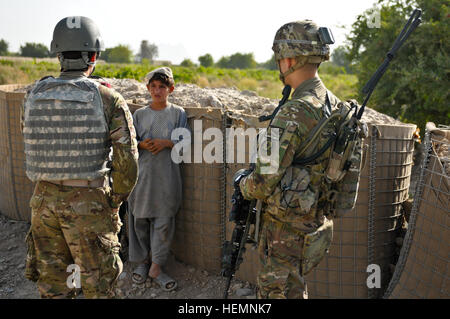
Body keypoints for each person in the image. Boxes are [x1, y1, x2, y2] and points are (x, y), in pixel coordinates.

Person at [239, 20, 364, 299]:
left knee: (280, 292)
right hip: (312, 226)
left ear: (290, 59)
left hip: (284, 232)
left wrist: (242, 185)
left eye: (280, 58)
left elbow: (261, 183)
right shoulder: (336, 107)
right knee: (294, 288)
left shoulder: (293, 112)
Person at [22, 16, 138, 298]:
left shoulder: (32, 94)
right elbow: (128, 162)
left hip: (43, 204)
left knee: (55, 289)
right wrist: (114, 200)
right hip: (89, 206)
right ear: (94, 56)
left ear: (58, 54)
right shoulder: (108, 98)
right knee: (98, 289)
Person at [127, 67, 188, 291]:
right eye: (153, 86)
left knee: (164, 220)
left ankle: (156, 267)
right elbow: (130, 142)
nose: (157, 91)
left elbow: (184, 141)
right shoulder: (139, 115)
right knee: (139, 220)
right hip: (143, 175)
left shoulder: (178, 113)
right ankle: (142, 262)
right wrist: (142, 144)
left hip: (167, 175)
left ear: (170, 89)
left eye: (162, 87)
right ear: (148, 89)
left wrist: (166, 143)